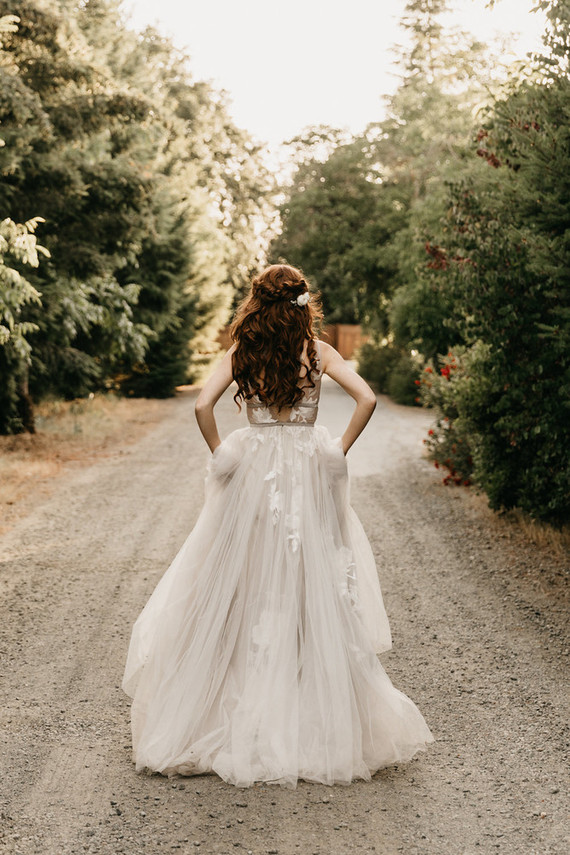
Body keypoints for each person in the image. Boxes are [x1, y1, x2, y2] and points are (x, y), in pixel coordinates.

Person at [122, 264, 433, 788]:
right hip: (308, 467)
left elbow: (202, 405)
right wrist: (337, 449)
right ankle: (311, 702)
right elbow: (368, 399)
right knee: (311, 578)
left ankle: (232, 701)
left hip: (255, 469)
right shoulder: (319, 352)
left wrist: (223, 453)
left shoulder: (243, 349)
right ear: (302, 302)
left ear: (256, 300)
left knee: (241, 580)